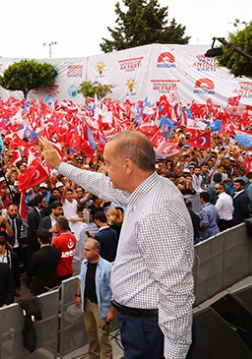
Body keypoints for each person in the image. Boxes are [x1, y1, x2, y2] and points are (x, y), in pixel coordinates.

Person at [41, 131, 194, 359]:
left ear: (128, 165)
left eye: (108, 164)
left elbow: (176, 289)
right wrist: (60, 165)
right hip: (142, 323)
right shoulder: (148, 188)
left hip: (152, 329)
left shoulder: (156, 213)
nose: (104, 169)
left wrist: (174, 355)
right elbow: (104, 185)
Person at [75, 239, 115, 359]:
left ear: (96, 251)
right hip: (87, 304)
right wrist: (78, 295)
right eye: (84, 249)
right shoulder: (85, 263)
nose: (84, 252)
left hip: (101, 307)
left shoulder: (107, 268)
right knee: (91, 334)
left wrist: (112, 310)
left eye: (87, 250)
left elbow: (114, 291)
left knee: (103, 337)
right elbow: (81, 279)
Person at [27, 229, 61, 295]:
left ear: (39, 240)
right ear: (49, 238)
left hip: (40, 285)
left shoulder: (36, 255)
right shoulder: (56, 251)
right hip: (54, 282)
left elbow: (31, 270)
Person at [50, 216, 76, 282]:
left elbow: (52, 256)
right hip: (70, 269)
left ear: (59, 227)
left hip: (59, 272)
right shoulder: (73, 237)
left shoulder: (57, 240)